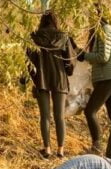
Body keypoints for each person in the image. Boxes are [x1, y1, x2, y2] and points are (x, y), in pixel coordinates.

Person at [77, 5, 111, 154]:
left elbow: (102, 57)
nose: (89, 19)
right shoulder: (107, 29)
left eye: (92, 16)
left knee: (90, 111)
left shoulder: (104, 30)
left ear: (99, 16)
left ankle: (97, 146)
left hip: (109, 77)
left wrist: (84, 56)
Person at [27, 11, 76, 158]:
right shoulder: (63, 37)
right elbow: (70, 60)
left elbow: (28, 61)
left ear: (42, 21)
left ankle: (47, 148)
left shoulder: (34, 37)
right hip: (59, 79)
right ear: (55, 21)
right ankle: (60, 149)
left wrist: (27, 79)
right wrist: (68, 71)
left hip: (41, 79)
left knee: (45, 116)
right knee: (59, 116)